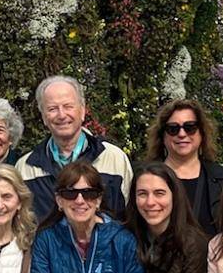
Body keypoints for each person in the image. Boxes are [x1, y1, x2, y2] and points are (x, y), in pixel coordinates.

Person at [15, 76, 135, 221]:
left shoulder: (114, 159)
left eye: (68, 106)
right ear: (44, 117)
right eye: (52, 109)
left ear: (83, 111)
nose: (61, 115)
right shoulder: (25, 168)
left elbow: (131, 219)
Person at [143, 96, 223, 237]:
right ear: (162, 136)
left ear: (202, 133)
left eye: (190, 128)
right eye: (173, 129)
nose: (182, 134)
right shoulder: (145, 179)